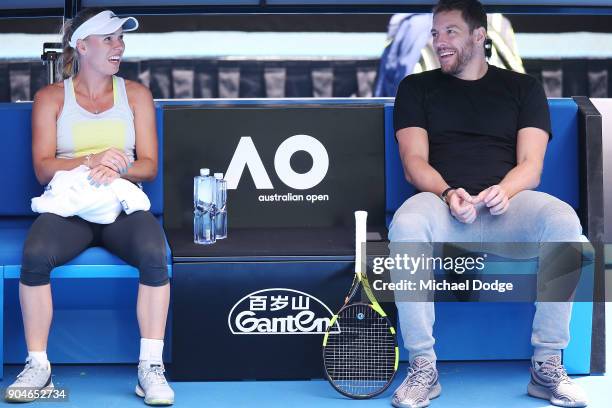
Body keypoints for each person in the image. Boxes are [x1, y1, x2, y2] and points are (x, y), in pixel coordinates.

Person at [388, 1, 588, 407]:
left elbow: (531, 166)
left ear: (479, 36)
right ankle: (423, 368)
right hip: (442, 205)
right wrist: (447, 193)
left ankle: (547, 366)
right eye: (435, 33)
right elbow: (414, 164)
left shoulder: (523, 88)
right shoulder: (416, 87)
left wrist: (505, 190)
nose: (439, 41)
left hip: (508, 207)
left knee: (565, 222)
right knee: (406, 225)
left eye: (450, 32)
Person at [4, 9, 174, 406]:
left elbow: (148, 166)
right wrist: (91, 158)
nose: (119, 46)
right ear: (82, 46)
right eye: (108, 39)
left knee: (153, 255)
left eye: (120, 39)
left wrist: (118, 164)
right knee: (34, 255)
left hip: (120, 204)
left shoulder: (136, 95)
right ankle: (38, 367)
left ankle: (150, 368)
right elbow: (44, 169)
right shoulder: (50, 98)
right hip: (71, 207)